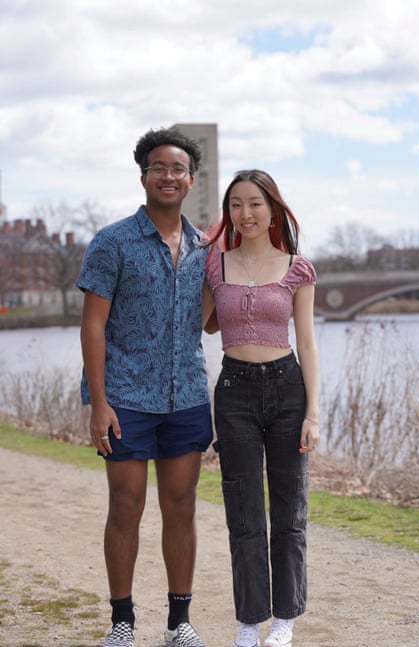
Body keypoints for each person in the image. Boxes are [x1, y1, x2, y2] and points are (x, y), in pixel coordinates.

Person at [77, 126, 213, 647]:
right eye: (160, 168)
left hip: (187, 397)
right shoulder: (112, 242)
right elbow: (92, 326)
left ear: (191, 179)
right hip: (127, 397)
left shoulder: (205, 246)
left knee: (180, 506)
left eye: (178, 169)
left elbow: (206, 320)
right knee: (126, 504)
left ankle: (179, 623)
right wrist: (99, 403)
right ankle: (122, 621)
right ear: (144, 177)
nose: (169, 176)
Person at [202, 170, 319, 647]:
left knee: (289, 512)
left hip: (288, 388)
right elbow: (204, 327)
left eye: (254, 203)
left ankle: (285, 619)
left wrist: (313, 413)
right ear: (227, 212)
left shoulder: (298, 267)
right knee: (244, 511)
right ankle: (250, 620)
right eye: (235, 205)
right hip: (234, 392)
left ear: (273, 209)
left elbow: (307, 344)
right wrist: (206, 259)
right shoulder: (215, 265)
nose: (244, 214)